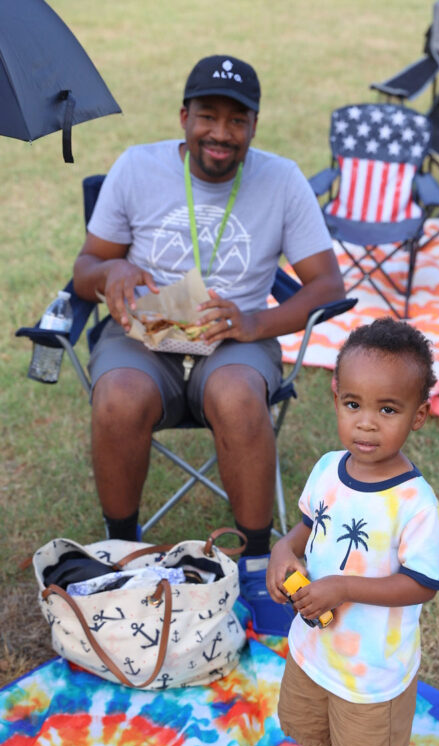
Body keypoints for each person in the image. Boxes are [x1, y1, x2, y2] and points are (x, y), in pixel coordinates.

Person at [73, 54, 344, 552]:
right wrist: (112, 270)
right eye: (208, 116)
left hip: (231, 340)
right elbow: (85, 267)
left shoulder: (282, 181)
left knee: (240, 395)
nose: (221, 133)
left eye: (236, 120)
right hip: (143, 334)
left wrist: (253, 321)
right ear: (184, 118)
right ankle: (121, 549)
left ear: (254, 127)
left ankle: (258, 559)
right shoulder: (137, 167)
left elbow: (328, 286)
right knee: (118, 395)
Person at [266, 317, 439, 746]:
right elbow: (304, 531)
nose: (366, 422)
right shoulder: (328, 469)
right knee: (317, 741)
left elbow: (422, 584)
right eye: (353, 404)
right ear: (336, 395)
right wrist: (283, 554)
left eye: (388, 409)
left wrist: (343, 587)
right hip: (312, 654)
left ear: (419, 415)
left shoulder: (415, 503)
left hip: (371, 674)